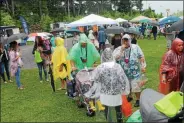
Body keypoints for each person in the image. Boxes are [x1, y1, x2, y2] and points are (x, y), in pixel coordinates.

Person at [85, 47, 130, 123]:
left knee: (106, 108)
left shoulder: (100, 67)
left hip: (104, 93)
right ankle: (119, 120)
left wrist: (90, 93)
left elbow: (95, 80)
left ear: (103, 56)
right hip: (116, 92)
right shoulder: (117, 66)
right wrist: (123, 89)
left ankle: (109, 120)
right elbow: (122, 79)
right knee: (118, 107)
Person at [113, 34, 146, 107]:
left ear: (129, 40)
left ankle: (138, 99)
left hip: (134, 70)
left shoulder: (135, 47)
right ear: (122, 40)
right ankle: (130, 96)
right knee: (126, 84)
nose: (125, 42)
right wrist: (121, 50)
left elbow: (141, 56)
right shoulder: (119, 49)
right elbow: (115, 57)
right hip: (124, 71)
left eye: (127, 40)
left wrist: (143, 66)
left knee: (135, 85)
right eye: (124, 40)